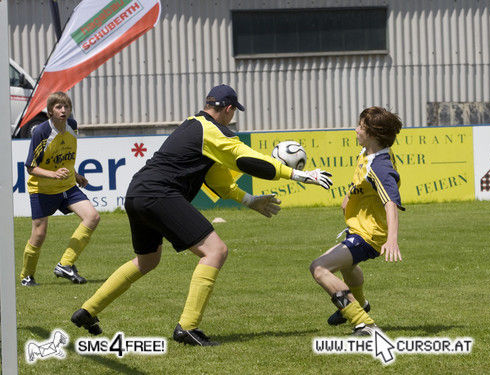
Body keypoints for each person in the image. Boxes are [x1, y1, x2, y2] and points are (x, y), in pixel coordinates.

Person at [71, 84, 333, 345]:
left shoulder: (192, 125)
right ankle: (187, 327)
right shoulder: (212, 131)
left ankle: (87, 311)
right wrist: (300, 175)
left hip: (137, 193)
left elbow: (219, 180)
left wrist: (250, 200)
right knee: (215, 251)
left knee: (147, 260)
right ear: (229, 109)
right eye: (233, 112)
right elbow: (247, 159)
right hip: (159, 193)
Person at [309, 106, 404, 336]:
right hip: (359, 229)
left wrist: (392, 239)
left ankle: (363, 323)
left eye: (360, 127)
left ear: (372, 134)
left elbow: (390, 202)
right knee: (348, 267)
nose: (356, 130)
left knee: (319, 268)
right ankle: (360, 303)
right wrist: (349, 195)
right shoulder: (367, 153)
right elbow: (361, 181)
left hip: (370, 235)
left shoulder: (380, 167)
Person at [20, 91, 100, 286]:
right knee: (39, 235)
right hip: (42, 189)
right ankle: (26, 276)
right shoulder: (41, 132)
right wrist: (53, 174)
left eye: (66, 107)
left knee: (93, 217)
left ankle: (65, 264)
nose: (63, 110)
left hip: (67, 186)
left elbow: (65, 159)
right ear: (50, 111)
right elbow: (31, 167)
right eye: (58, 107)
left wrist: (76, 175)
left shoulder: (72, 126)